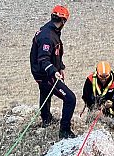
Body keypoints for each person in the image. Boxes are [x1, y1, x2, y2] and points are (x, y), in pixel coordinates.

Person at [30, 5, 76, 139]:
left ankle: (46, 119)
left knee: (45, 92)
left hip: (41, 73)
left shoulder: (50, 30)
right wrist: (53, 72)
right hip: (45, 75)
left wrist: (60, 66)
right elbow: (44, 59)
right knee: (70, 98)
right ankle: (64, 131)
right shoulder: (48, 37)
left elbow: (54, 54)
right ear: (63, 21)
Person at [82, 61, 114, 128]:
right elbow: (85, 97)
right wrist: (94, 108)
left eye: (106, 77)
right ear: (97, 73)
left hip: (110, 108)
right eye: (101, 77)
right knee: (90, 126)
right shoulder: (90, 79)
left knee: (112, 126)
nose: (104, 80)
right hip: (94, 108)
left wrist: (112, 103)